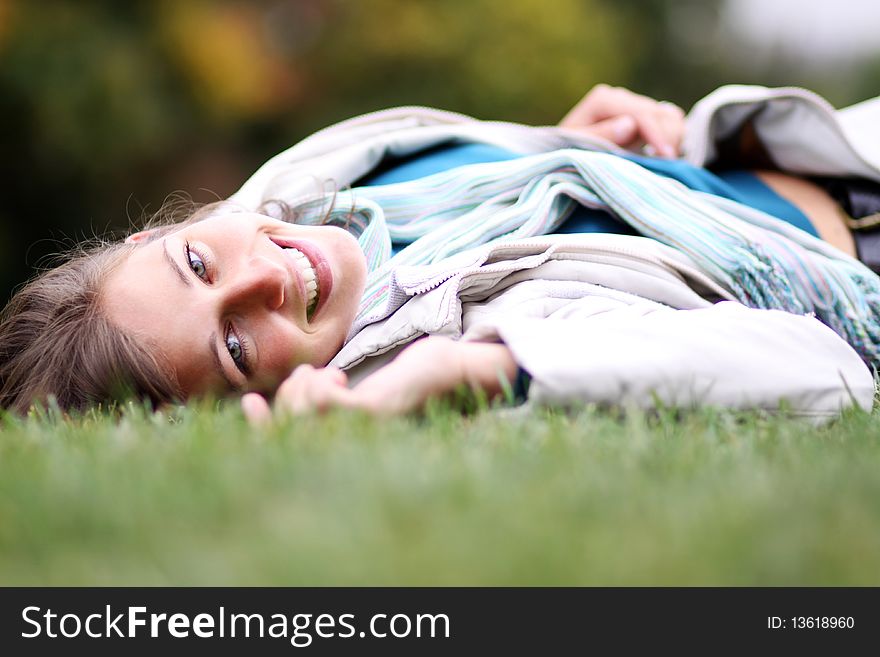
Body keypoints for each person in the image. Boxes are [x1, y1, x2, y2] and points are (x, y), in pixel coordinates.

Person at [1, 84, 878, 420]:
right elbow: (825, 370)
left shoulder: (301, 184)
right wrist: (468, 370)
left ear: (154, 233)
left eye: (196, 263)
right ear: (256, 402)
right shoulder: (453, 337)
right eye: (234, 346)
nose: (266, 273)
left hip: (822, 145)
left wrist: (551, 154)